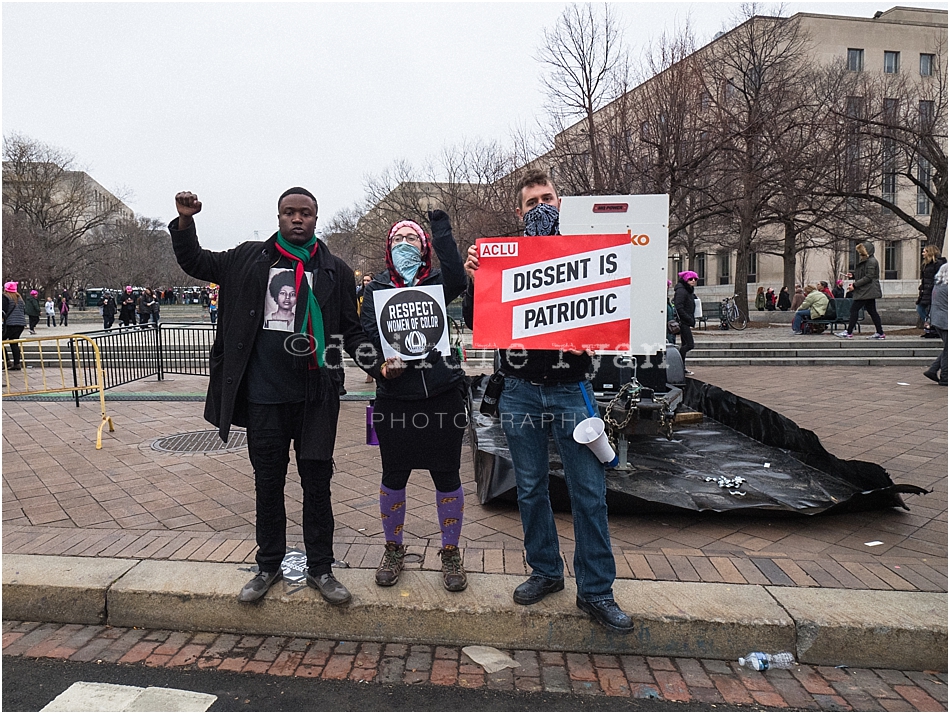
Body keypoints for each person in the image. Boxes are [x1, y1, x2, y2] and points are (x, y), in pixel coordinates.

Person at [169, 187, 398, 607]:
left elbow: (351, 330)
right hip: (263, 398)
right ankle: (268, 565)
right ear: (279, 216)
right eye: (290, 212)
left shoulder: (335, 271)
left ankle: (321, 568)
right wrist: (185, 222)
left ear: (315, 218)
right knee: (268, 483)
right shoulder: (248, 259)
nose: (298, 219)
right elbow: (195, 261)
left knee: (317, 484)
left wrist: (377, 364)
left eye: (305, 213)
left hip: (316, 398)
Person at [461, 169, 634, 633]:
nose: (541, 206)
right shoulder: (502, 260)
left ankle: (596, 590)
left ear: (561, 203)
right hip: (518, 389)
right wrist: (477, 278)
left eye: (548, 197)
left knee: (589, 492)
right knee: (531, 488)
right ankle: (546, 571)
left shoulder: (587, 252)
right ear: (520, 214)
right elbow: (475, 319)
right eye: (532, 201)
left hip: (570, 388)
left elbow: (617, 308)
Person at [361, 211, 468, 592]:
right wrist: (378, 367)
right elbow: (364, 339)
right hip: (395, 399)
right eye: (397, 239)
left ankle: (451, 552)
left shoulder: (439, 283)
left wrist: (441, 230)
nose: (404, 244)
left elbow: (458, 273)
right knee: (393, 476)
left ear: (424, 247)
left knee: (447, 476)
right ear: (388, 248)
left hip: (442, 396)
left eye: (412, 238)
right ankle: (393, 547)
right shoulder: (374, 289)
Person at [835, 242, 885, 339]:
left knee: (854, 309)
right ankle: (880, 332)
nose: (860, 254)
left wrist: (854, 285)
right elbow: (867, 275)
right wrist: (853, 276)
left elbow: (869, 277)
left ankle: (849, 332)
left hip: (866, 290)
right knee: (872, 311)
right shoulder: (869, 261)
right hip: (868, 290)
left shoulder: (871, 261)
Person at [923, 263, 947, 386]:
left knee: (947, 348)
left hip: (937, 320)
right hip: (945, 321)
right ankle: (945, 376)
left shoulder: (938, 286)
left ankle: (933, 370)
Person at [917, 245, 946, 338]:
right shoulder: (926, 264)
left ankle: (933, 328)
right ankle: (930, 327)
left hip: (933, 291)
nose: (922, 254)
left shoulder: (938, 264)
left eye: (924, 251)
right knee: (920, 308)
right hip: (926, 291)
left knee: (928, 310)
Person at [673, 271, 698, 376]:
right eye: (690, 279)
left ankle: (681, 367)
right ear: (685, 280)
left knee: (685, 344)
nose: (693, 281)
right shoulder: (682, 291)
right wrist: (688, 319)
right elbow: (679, 307)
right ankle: (678, 363)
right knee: (689, 344)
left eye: (695, 279)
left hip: (686, 321)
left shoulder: (688, 291)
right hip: (683, 322)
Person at [2, 282, 28, 370]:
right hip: (20, 324)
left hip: (10, 323)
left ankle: (7, 361)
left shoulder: (5, 297)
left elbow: (3, 311)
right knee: (14, 343)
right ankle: (17, 363)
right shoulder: (19, 298)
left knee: (1, 342)